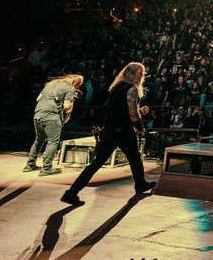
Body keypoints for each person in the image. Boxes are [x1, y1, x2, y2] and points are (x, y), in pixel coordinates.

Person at [62, 62, 155, 205]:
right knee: (135, 158)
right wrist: (140, 127)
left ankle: (71, 193)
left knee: (96, 163)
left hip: (109, 130)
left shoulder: (116, 87)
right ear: (130, 74)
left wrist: (139, 110)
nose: (141, 77)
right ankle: (140, 184)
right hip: (123, 131)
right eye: (139, 74)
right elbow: (132, 114)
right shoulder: (131, 89)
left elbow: (122, 109)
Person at [24, 73, 84, 176]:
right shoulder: (70, 88)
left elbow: (38, 99)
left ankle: (30, 165)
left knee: (39, 140)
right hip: (52, 116)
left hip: (38, 114)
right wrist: (70, 108)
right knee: (53, 141)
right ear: (76, 83)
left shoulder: (51, 84)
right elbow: (66, 106)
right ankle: (46, 168)